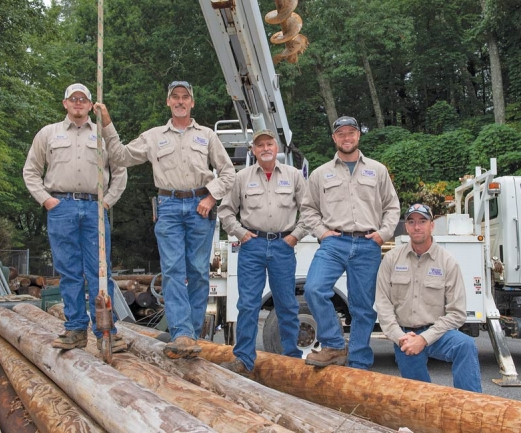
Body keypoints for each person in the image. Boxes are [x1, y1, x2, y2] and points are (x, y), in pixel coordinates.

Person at [96, 81, 236, 359]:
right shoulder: (154, 136)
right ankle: (182, 333)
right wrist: (107, 125)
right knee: (173, 271)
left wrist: (211, 197)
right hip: (168, 206)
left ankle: (190, 335)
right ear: (168, 102)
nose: (181, 101)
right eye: (176, 97)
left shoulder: (207, 136)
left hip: (200, 206)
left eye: (186, 97)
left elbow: (228, 172)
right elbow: (120, 156)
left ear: (192, 103)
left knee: (197, 272)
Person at [23, 83, 127, 352]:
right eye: (73, 99)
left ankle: (107, 331)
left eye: (83, 99)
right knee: (69, 272)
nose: (78, 103)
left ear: (91, 105)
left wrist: (107, 202)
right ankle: (75, 329)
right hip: (62, 207)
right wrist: (47, 200)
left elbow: (121, 170)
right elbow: (31, 171)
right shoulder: (49, 134)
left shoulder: (103, 136)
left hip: (94, 207)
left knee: (100, 272)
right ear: (65, 103)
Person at [301, 116, 400, 369]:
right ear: (334, 138)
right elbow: (308, 209)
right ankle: (334, 345)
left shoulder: (377, 170)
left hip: (368, 244)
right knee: (314, 289)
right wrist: (322, 232)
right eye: (341, 133)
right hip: (334, 243)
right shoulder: (320, 174)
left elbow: (392, 207)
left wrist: (383, 234)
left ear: (358, 136)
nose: (347, 137)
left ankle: (358, 362)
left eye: (351, 133)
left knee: (363, 307)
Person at [217, 129, 308, 375]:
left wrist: (295, 236)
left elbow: (309, 209)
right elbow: (225, 211)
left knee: (287, 305)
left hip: (282, 246)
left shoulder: (294, 176)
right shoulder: (241, 177)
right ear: (253, 151)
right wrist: (240, 233)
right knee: (247, 304)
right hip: (252, 246)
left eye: (269, 144)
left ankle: (291, 360)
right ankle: (244, 360)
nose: (265, 148)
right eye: (260, 145)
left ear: (276, 148)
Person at [375, 203, 482, 392]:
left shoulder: (448, 262)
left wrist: (424, 339)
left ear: (432, 225)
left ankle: (471, 405)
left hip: (438, 334)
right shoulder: (391, 260)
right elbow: (383, 305)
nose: (417, 227)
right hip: (405, 337)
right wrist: (400, 338)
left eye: (422, 221)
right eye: (412, 222)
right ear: (406, 227)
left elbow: (457, 314)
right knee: (419, 398)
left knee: (465, 345)